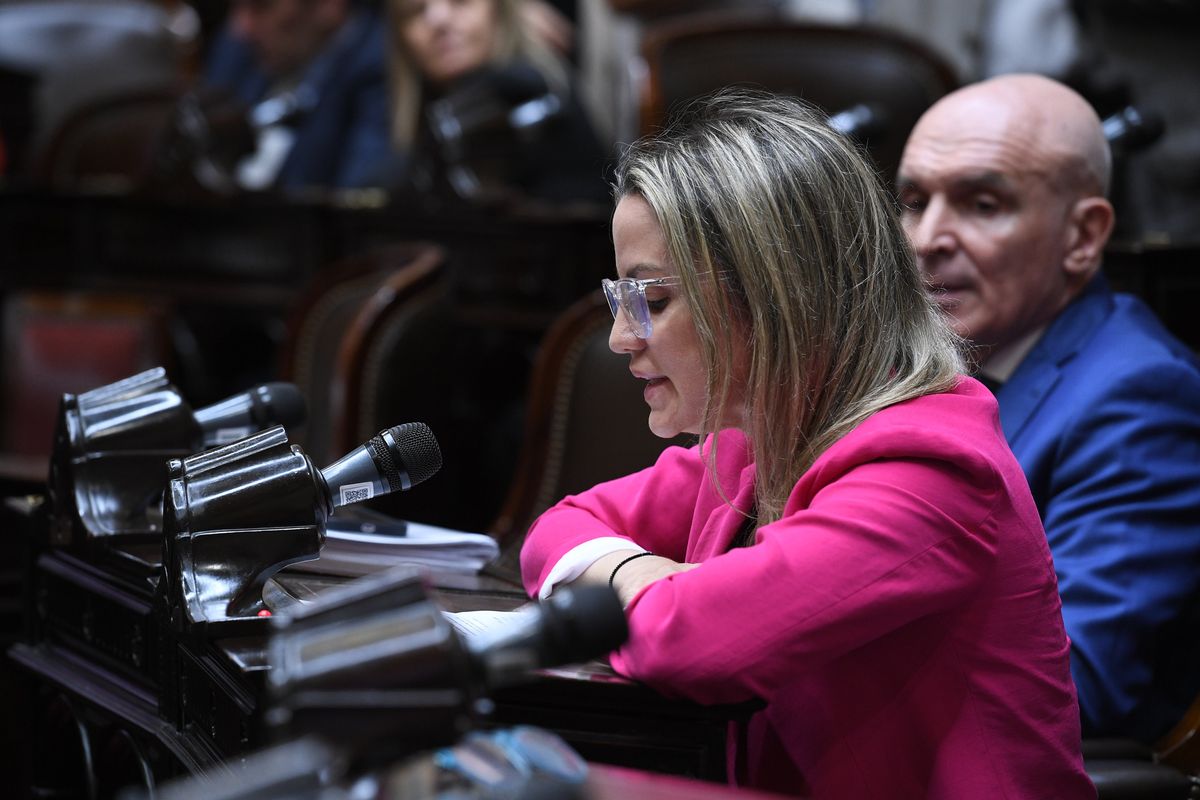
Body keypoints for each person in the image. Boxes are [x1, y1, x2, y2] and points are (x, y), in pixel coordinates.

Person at [519, 90, 1093, 797]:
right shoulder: (754, 433)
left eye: (653, 301)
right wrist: (639, 576)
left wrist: (635, 587)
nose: (621, 338)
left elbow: (695, 642)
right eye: (620, 299)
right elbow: (557, 530)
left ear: (773, 295)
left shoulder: (932, 468)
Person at [896, 73, 1200, 744]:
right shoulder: (907, 368)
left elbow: (1068, 685)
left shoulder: (1142, 398)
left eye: (980, 203)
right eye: (914, 202)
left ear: (1082, 235)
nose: (927, 238)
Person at [381, 0, 611, 204]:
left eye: (461, 2)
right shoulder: (429, 120)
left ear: (500, 11)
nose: (438, 20)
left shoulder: (530, 92)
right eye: (415, 10)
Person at [200, 0, 392, 191]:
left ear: (329, 5)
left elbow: (357, 200)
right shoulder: (239, 52)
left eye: (261, 6)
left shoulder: (377, 70)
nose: (240, 29)